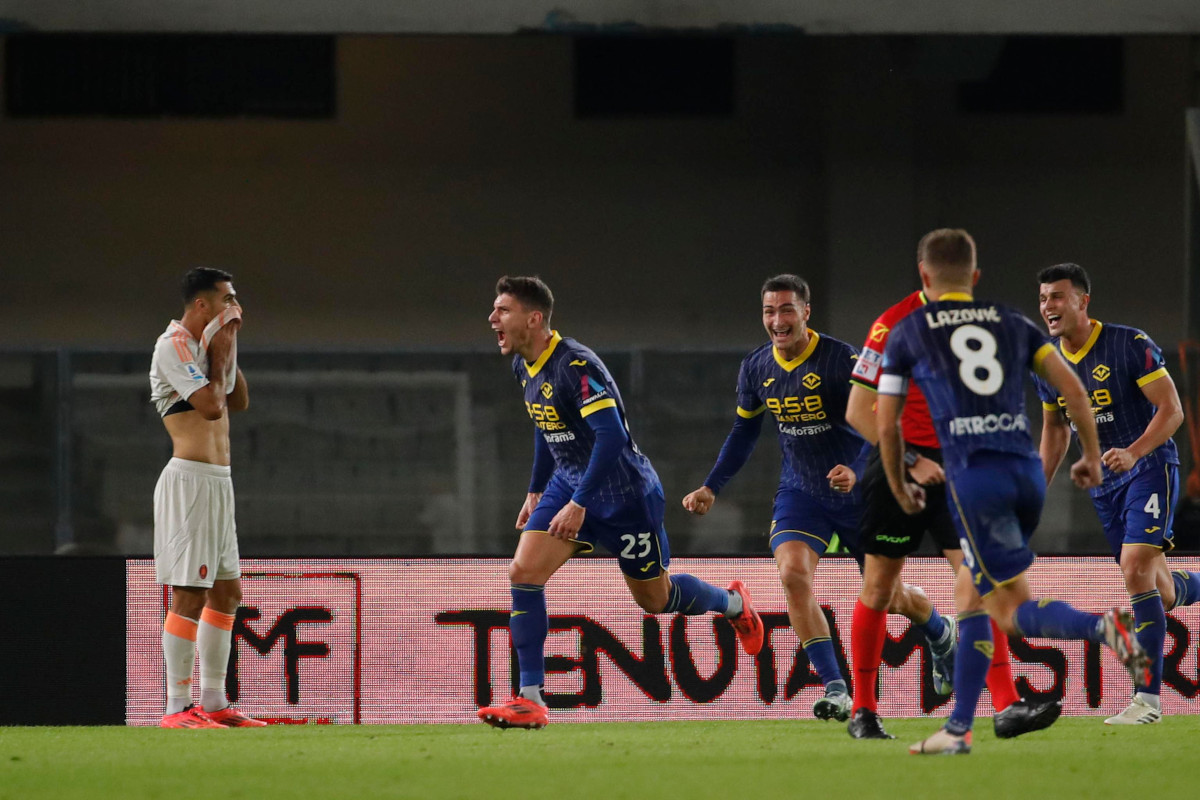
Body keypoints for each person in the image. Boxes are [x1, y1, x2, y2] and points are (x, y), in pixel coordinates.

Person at [877, 229, 1148, 755]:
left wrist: (899, 482)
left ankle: (1105, 629)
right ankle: (958, 729)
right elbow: (1072, 388)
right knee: (970, 593)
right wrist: (1090, 456)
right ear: (975, 278)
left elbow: (887, 426)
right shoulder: (1013, 322)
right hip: (1025, 474)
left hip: (975, 480)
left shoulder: (909, 331)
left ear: (925, 278)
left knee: (1006, 607)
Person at [478, 276, 764, 729]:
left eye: (503, 311)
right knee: (524, 573)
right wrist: (536, 490)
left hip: (623, 496)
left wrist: (581, 503)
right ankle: (530, 698)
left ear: (533, 319)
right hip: (569, 484)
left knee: (655, 599)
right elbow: (544, 422)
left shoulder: (575, 366)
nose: (493, 319)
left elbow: (611, 436)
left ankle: (732, 604)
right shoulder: (523, 366)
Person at [682, 274, 954, 723]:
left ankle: (941, 631)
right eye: (769, 311)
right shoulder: (755, 367)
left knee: (887, 596)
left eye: (786, 309)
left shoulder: (840, 358)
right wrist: (712, 485)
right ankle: (836, 687)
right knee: (791, 573)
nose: (777, 320)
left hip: (860, 491)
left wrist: (857, 465)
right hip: (801, 491)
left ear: (806, 312)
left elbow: (877, 417)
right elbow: (744, 431)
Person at [844, 267, 1060, 741]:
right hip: (899, 466)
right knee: (880, 588)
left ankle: (1005, 706)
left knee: (983, 581)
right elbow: (859, 412)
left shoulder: (981, 324)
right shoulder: (892, 323)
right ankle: (863, 711)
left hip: (961, 471)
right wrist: (913, 459)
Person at [1034, 262, 1200, 724]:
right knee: (1161, 592)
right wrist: (1034, 492)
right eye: (1044, 298)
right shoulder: (1046, 362)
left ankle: (1147, 701)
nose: (1049, 307)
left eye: (1058, 297)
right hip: (1107, 488)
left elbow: (1172, 410)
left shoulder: (1129, 344)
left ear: (1083, 302)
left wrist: (1133, 451)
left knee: (1134, 567)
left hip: (1149, 468)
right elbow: (1054, 429)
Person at [149, 267, 264, 728]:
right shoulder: (172, 345)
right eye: (227, 299)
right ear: (202, 306)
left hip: (219, 483)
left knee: (227, 592)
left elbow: (238, 400)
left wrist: (227, 344)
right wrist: (219, 347)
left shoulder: (212, 347)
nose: (236, 307)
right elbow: (212, 405)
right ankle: (177, 708)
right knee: (190, 593)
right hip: (190, 480)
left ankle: (214, 703)